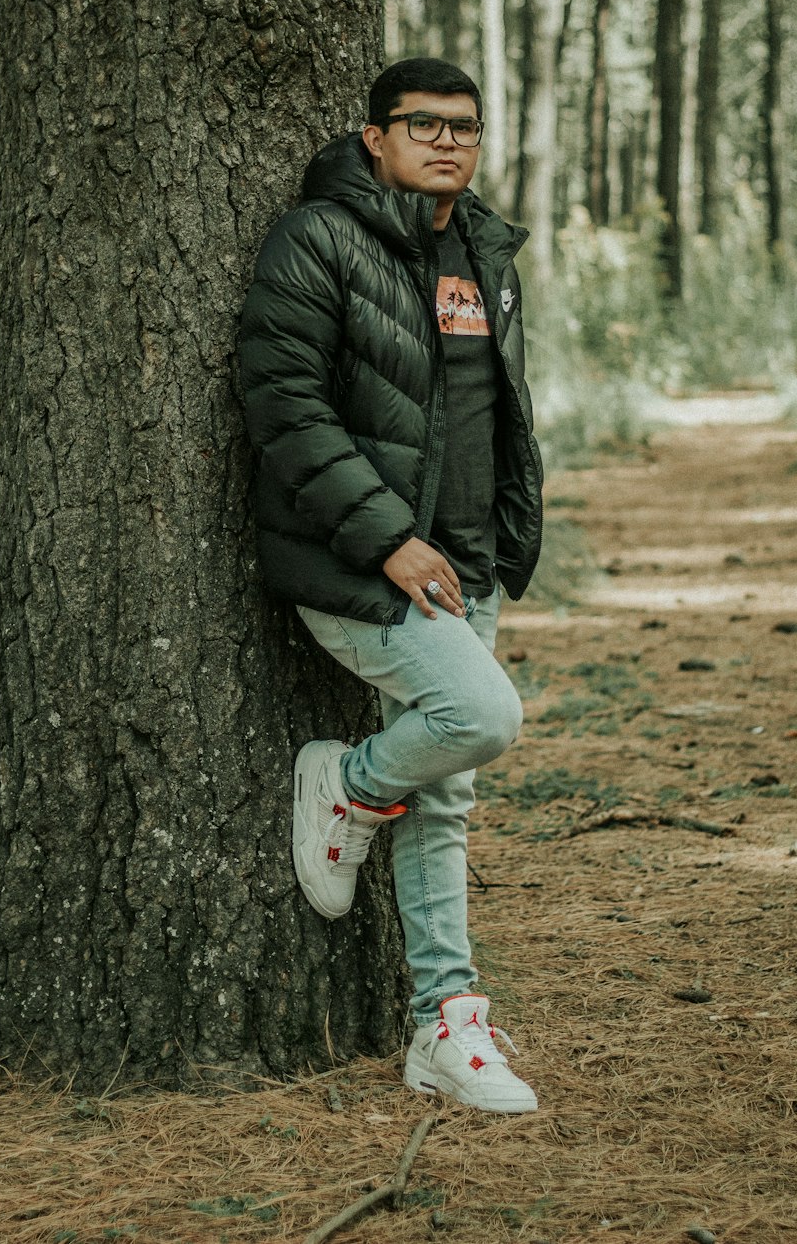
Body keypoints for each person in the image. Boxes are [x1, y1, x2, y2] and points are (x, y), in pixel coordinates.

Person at [238, 57, 543, 1114]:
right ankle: (352, 782)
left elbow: (498, 410)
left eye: (464, 125)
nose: (448, 141)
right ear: (376, 137)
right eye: (423, 124)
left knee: (448, 796)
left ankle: (443, 1028)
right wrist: (385, 542)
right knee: (480, 716)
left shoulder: (485, 250)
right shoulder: (316, 240)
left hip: (465, 568)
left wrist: (499, 541)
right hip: (362, 564)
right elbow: (284, 407)